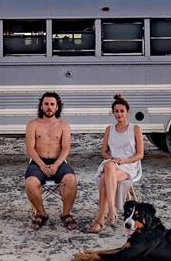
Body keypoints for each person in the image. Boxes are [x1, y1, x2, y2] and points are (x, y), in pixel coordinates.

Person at [87, 94, 143, 233]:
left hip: (129, 164)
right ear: (113, 113)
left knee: (103, 178)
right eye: (116, 111)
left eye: (122, 111)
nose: (119, 114)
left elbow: (140, 154)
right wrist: (112, 158)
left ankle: (101, 218)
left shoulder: (135, 128)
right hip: (112, 162)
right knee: (108, 165)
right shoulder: (109, 129)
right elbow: (104, 152)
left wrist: (124, 160)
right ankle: (112, 210)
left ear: (127, 112)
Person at [24, 91, 78, 231]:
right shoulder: (33, 124)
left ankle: (66, 213)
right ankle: (41, 213)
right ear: (41, 106)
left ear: (57, 107)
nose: (49, 107)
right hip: (37, 162)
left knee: (71, 179)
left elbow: (66, 148)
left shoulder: (63, 125)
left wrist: (56, 165)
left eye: (52, 104)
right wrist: (41, 165)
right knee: (30, 183)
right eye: (46, 104)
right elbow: (30, 148)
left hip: (59, 162)